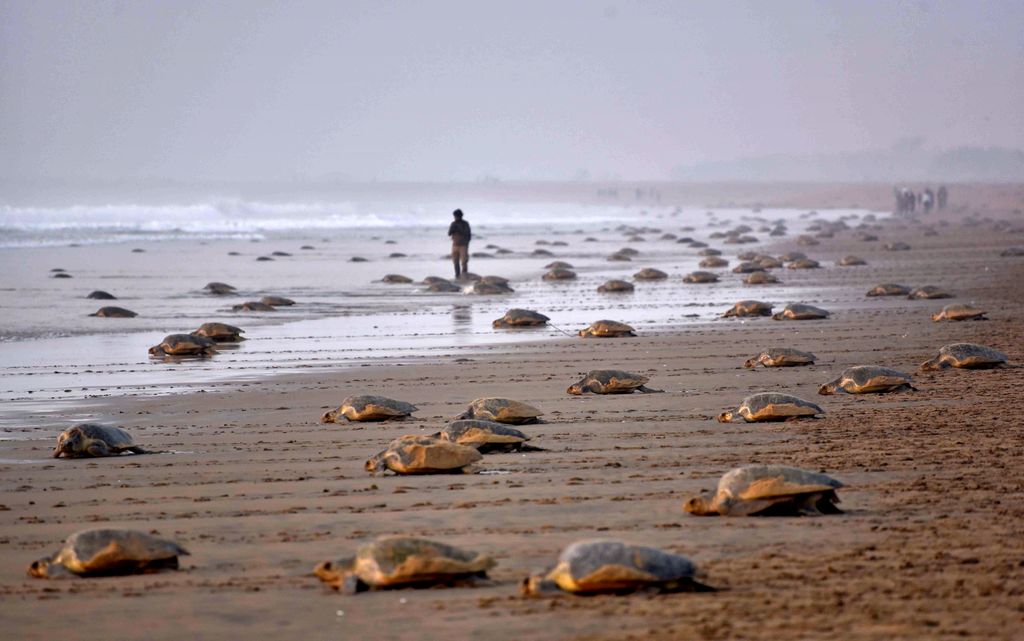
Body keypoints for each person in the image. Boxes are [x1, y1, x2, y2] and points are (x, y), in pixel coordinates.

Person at [447, 209, 471, 279]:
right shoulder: (453, 224)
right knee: (455, 261)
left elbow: (467, 233)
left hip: (463, 245)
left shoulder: (465, 224)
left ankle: (464, 276)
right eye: (455, 216)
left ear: (460, 216)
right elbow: (449, 233)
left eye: (457, 216)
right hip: (455, 245)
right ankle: (457, 275)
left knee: (464, 262)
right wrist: (453, 228)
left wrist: (458, 229)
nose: (456, 218)